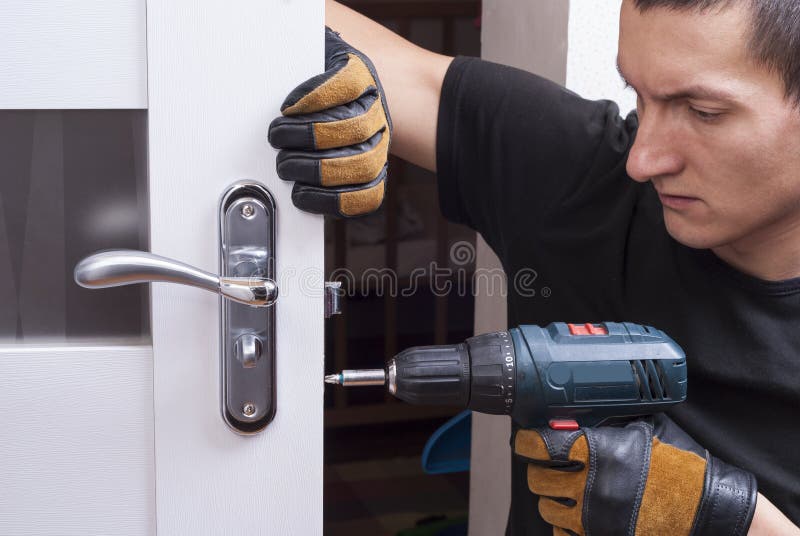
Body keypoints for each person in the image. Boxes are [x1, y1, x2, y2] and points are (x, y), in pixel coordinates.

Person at [268, 0, 800, 534]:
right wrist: (331, 69)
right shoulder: (586, 175)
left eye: (702, 113)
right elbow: (338, 41)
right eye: (637, 94)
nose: (645, 159)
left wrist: (728, 517)